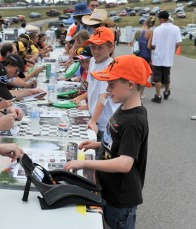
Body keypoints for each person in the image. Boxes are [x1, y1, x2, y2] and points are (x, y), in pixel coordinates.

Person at [64, 55, 152, 229]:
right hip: (110, 189)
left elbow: (125, 163)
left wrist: (85, 163)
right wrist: (98, 145)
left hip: (121, 198)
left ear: (130, 85)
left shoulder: (134, 120)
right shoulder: (124, 105)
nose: (108, 88)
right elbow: (118, 143)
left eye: (112, 84)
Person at [72, 27, 119, 144]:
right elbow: (93, 88)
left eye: (100, 47)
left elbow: (104, 96)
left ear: (111, 47)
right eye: (93, 47)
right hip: (93, 115)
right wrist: (88, 106)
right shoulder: (92, 61)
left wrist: (93, 120)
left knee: (100, 153)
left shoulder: (109, 66)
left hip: (103, 122)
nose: (95, 51)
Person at [151, 10, 182, 103]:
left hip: (158, 57)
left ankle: (158, 95)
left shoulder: (157, 29)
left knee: (157, 77)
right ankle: (166, 92)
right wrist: (171, 48)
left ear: (161, 19)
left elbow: (153, 45)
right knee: (167, 76)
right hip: (168, 57)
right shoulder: (176, 28)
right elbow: (179, 42)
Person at [132, 16, 156, 98]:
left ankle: (134, 92)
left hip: (138, 55)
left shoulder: (139, 31)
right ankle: (140, 94)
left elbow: (134, 43)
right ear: (152, 24)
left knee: (137, 74)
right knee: (144, 75)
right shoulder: (150, 32)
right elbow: (149, 46)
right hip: (146, 56)